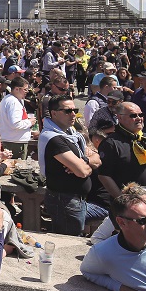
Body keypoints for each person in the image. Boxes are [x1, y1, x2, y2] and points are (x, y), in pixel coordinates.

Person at [39, 94, 101, 235]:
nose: (73, 114)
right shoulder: (54, 138)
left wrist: (84, 161)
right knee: (68, 241)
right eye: (67, 111)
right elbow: (82, 172)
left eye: (75, 110)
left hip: (76, 200)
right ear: (54, 113)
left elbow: (97, 157)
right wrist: (83, 164)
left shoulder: (72, 134)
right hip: (65, 200)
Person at [99, 102, 146, 221]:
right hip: (130, 211)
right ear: (120, 117)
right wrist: (123, 202)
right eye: (133, 115)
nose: (139, 118)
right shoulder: (111, 143)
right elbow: (104, 176)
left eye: (141, 114)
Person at [0, 76, 33, 160]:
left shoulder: (12, 99)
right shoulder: (13, 102)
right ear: (17, 89)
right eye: (25, 89)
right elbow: (15, 124)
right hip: (15, 142)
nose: (27, 92)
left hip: (13, 140)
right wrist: (30, 122)